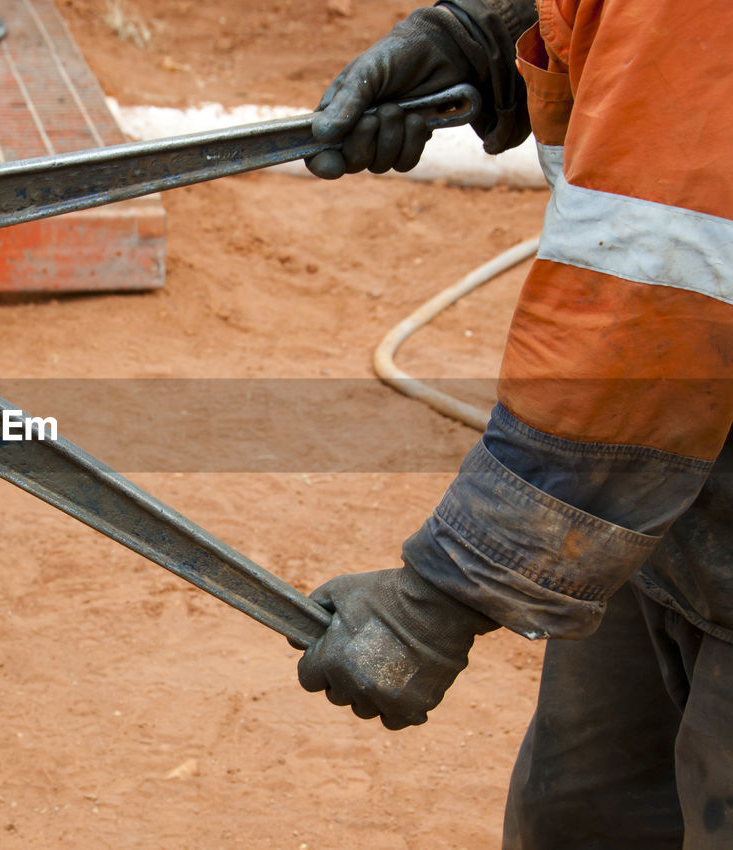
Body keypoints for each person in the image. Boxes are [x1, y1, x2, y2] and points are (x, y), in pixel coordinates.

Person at [292, 1, 733, 846]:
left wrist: (443, 594)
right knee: (581, 810)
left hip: (653, 414)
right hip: (664, 499)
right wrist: (489, 42)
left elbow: (651, 302)